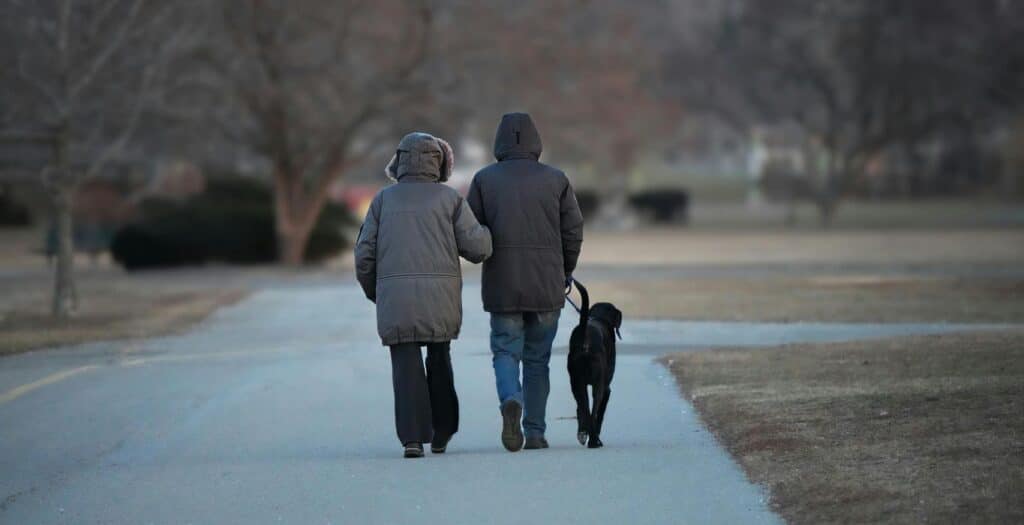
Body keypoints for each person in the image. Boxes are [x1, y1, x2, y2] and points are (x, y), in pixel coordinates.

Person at [355, 132, 492, 458]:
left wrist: (377, 292)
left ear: (399, 161)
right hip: (440, 298)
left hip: (396, 298)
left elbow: (364, 255)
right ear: (439, 163)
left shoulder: (382, 201)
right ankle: (442, 432)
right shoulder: (450, 200)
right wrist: (488, 230)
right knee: (439, 358)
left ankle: (413, 439)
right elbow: (478, 248)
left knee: (405, 367)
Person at [467, 113, 584, 451]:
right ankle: (535, 432)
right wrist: (565, 269)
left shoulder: (484, 180)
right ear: (535, 141)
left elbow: (471, 231)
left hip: (502, 282)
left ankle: (510, 399)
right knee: (537, 359)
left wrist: (482, 255)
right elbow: (573, 230)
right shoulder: (556, 179)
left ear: (499, 142)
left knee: (505, 350)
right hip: (546, 283)